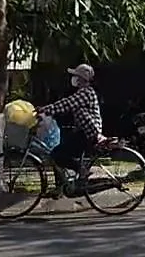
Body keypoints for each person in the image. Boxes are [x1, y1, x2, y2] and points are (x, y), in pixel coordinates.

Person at [36, 63, 109, 195]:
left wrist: (45, 110)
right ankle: (60, 187)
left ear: (82, 79)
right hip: (84, 131)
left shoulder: (85, 93)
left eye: (76, 76)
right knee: (58, 151)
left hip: (88, 133)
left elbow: (66, 104)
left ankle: (81, 170)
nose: (74, 79)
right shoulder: (84, 92)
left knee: (57, 154)